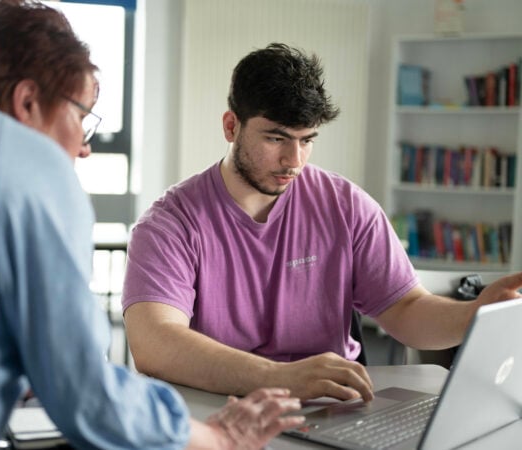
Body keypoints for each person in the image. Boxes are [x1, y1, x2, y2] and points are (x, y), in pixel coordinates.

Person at [0, 3, 305, 449]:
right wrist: (219, 436)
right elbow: (84, 393)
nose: (84, 149)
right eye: (82, 118)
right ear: (27, 102)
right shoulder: (27, 163)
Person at [122, 43, 522, 402]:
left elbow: (406, 308)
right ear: (231, 126)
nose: (294, 160)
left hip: (332, 408)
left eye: (307, 139)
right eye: (276, 139)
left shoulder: (347, 206)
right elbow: (155, 342)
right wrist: (278, 378)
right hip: (220, 410)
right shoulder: (169, 224)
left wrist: (474, 315)